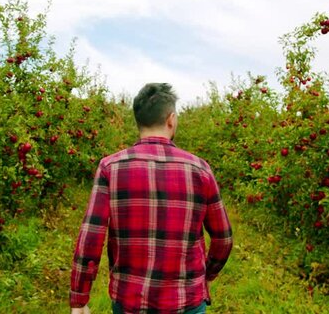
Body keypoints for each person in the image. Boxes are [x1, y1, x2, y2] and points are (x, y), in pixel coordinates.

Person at [70, 83, 233, 314]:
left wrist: (79, 297)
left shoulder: (111, 167)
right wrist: (206, 275)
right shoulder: (200, 169)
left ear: (138, 121)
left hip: (130, 301)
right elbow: (223, 239)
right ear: (171, 119)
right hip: (187, 301)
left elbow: (91, 235)